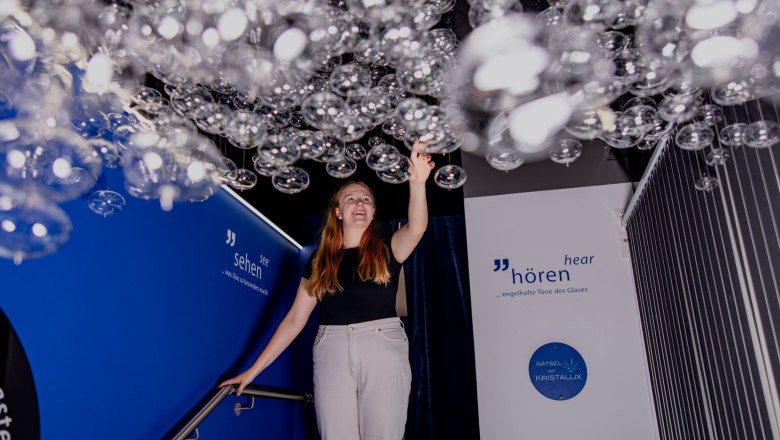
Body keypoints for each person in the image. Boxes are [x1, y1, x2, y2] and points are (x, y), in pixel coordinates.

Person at [220, 144, 435, 440]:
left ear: (373, 212)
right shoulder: (320, 259)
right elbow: (295, 319)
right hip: (330, 348)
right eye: (351, 199)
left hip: (381, 344)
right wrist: (254, 370)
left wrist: (418, 183)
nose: (359, 203)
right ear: (338, 211)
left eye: (366, 200)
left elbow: (417, 228)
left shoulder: (389, 247)